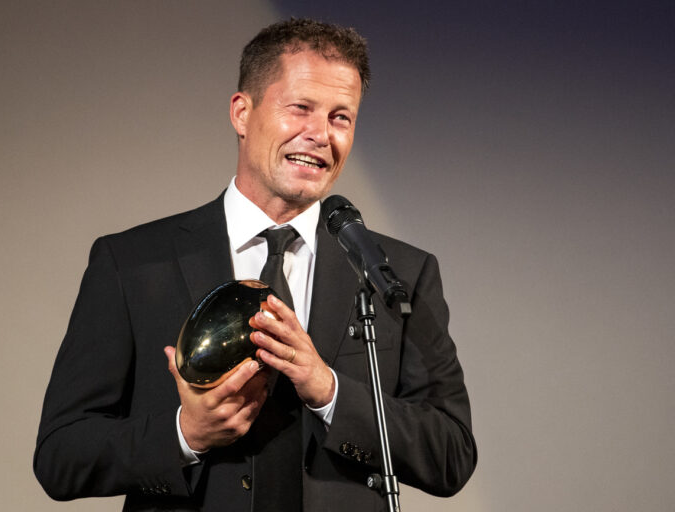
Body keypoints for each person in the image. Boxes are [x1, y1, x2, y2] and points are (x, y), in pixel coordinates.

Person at [34, 18, 476, 512]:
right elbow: (61, 456)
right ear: (242, 113)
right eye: (300, 109)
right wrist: (186, 434)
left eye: (340, 117)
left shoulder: (396, 273)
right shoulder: (133, 263)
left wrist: (328, 390)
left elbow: (451, 455)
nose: (320, 135)